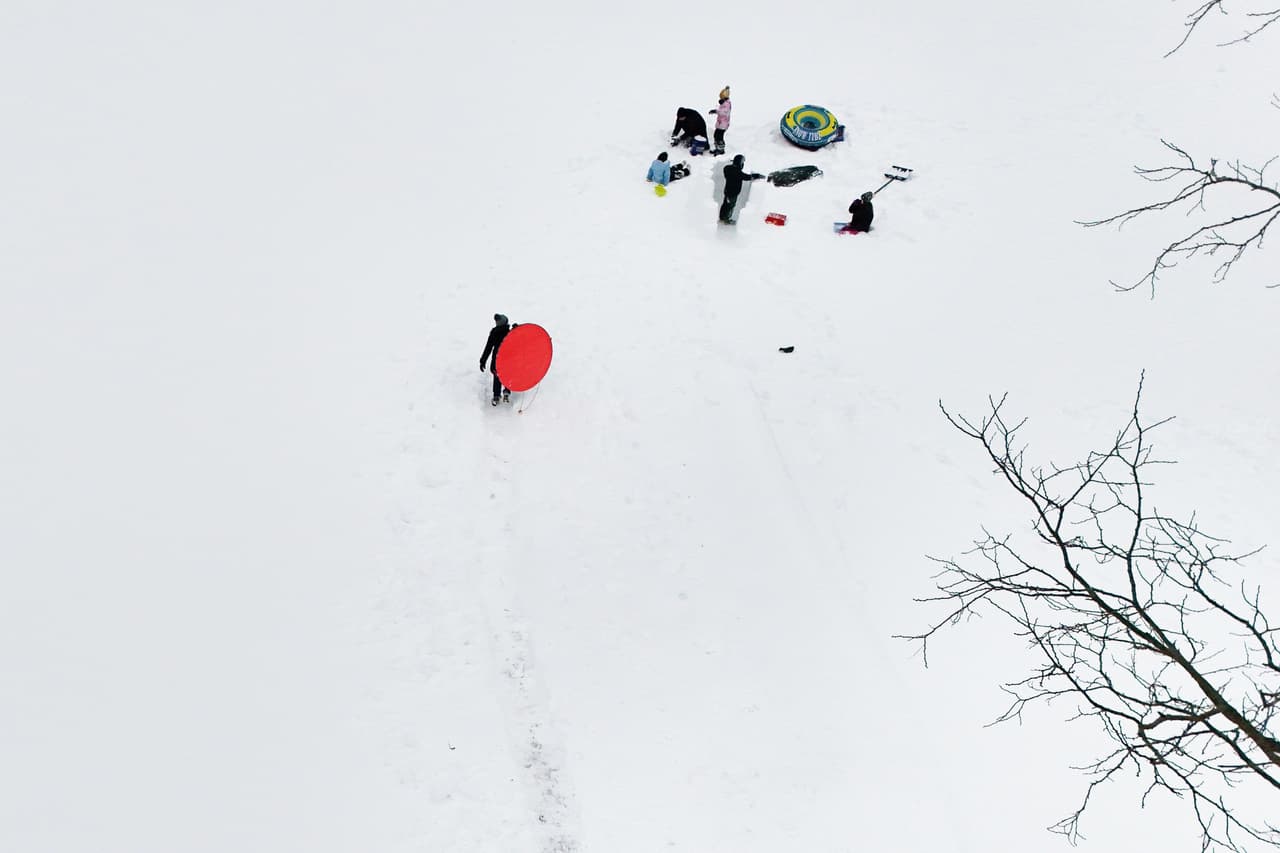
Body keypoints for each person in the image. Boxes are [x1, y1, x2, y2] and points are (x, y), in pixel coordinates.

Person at [719, 154, 764, 224]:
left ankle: (722, 217)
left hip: (727, 191)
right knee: (730, 206)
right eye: (742, 163)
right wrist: (756, 176)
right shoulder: (737, 172)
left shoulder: (727, 168)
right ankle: (726, 219)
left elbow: (741, 175)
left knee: (725, 204)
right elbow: (747, 177)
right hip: (733, 193)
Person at [480, 313, 512, 405]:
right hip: (509, 359)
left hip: (498, 359)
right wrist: (518, 330)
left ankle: (496, 396)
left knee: (497, 377)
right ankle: (506, 392)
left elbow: (488, 348)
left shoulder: (495, 333)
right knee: (508, 375)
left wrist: (483, 360)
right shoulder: (510, 332)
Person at [707, 88, 731, 156]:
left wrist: (716, 111)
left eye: (721, 97)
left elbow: (724, 112)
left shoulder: (727, 104)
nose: (720, 98)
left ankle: (721, 150)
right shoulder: (724, 103)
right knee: (716, 135)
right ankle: (718, 148)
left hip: (723, 124)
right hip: (721, 123)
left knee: (719, 136)